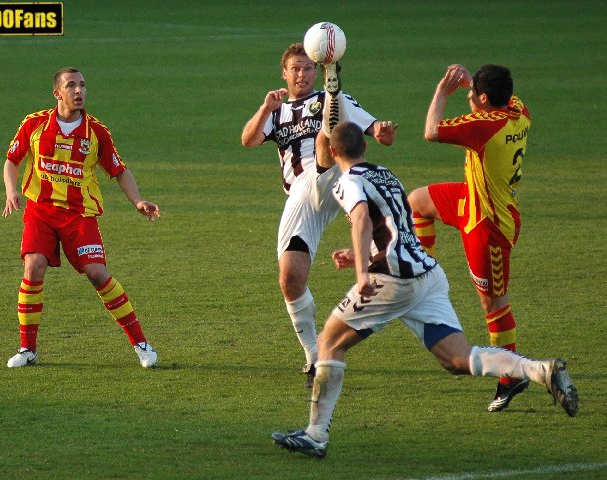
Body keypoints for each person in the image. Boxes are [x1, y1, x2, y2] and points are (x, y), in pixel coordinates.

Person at [271, 121, 577, 459]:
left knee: (328, 343)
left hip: (390, 281)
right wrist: (360, 252)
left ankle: (316, 434)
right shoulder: (385, 174)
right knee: (458, 359)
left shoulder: (347, 182)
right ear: (365, 147)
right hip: (427, 276)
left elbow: (361, 219)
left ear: (333, 153)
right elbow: (392, 225)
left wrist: (361, 272)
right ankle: (540, 370)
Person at [241, 43, 397, 387]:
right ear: (284, 73)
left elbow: (372, 129)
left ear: (317, 71)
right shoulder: (278, 111)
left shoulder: (335, 100)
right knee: (290, 278)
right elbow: (248, 140)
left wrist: (380, 131)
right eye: (295, 69)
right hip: (303, 194)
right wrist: (265, 107)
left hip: (335, 177)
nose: (301, 74)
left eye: (308, 68)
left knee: (327, 134)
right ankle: (314, 355)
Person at [3, 67, 159, 369]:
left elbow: (119, 170)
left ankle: (142, 344)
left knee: (97, 273)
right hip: (41, 211)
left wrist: (137, 200)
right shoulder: (34, 124)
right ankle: (27, 349)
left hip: (79, 215)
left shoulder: (97, 132)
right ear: (57, 93)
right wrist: (12, 191)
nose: (79, 91)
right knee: (33, 267)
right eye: (71, 85)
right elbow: (11, 161)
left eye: (83, 85)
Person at [407, 64, 532, 412]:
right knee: (417, 201)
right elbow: (489, 101)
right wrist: (470, 85)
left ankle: (512, 374)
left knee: (493, 303)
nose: (468, 97)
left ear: (486, 100)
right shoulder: (519, 110)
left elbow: (431, 131)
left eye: (473, 95)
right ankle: (422, 270)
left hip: (489, 226)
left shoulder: (483, 128)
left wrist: (442, 92)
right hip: (470, 199)